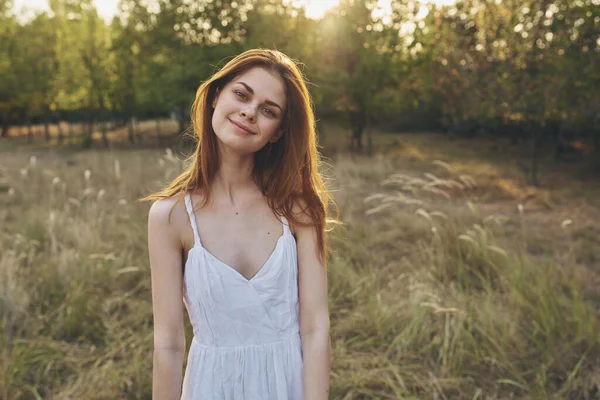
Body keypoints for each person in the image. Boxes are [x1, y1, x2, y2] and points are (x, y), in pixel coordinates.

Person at [142, 49, 336, 400]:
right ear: (216, 96)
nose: (249, 112)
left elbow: (315, 327)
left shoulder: (299, 209)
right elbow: (168, 344)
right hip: (212, 388)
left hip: (288, 385)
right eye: (242, 94)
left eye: (268, 110)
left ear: (277, 132)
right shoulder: (169, 217)